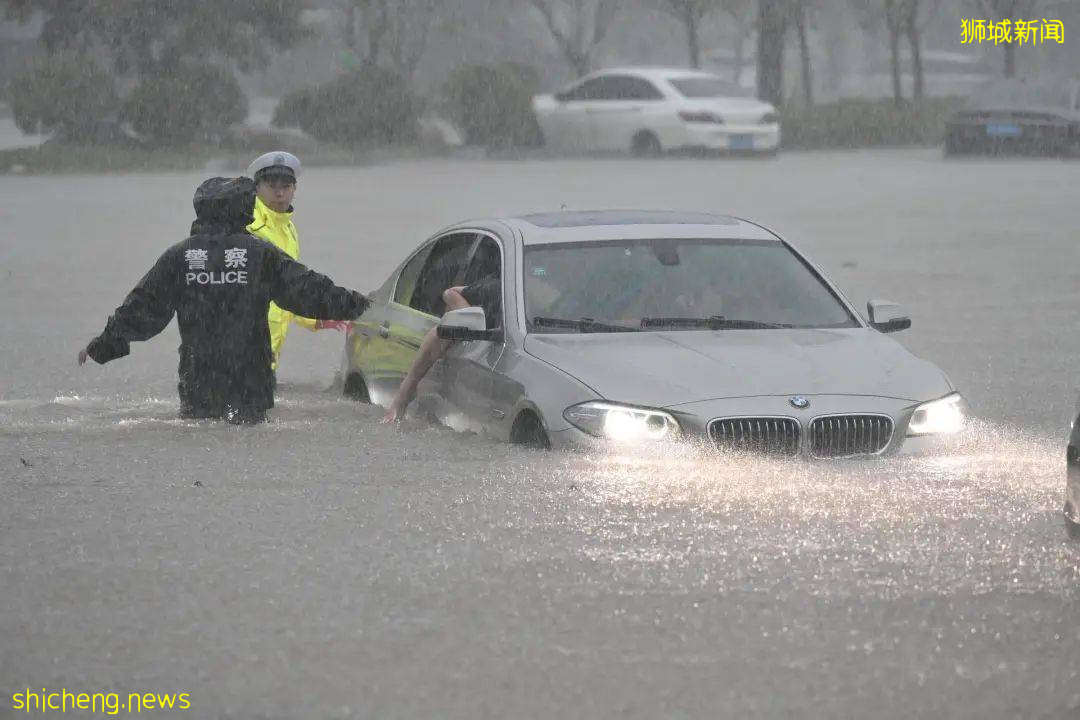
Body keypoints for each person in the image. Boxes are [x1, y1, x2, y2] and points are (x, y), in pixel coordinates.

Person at [77, 177, 370, 424]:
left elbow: (142, 308)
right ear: (245, 208)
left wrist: (103, 345)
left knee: (201, 436)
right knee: (249, 442)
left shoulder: (179, 257)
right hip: (251, 379)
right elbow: (309, 291)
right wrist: (363, 307)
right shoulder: (259, 254)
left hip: (198, 378)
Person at [245, 151, 344, 371]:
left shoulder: (288, 229)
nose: (279, 193)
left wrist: (317, 318)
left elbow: (288, 288)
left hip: (267, 353)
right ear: (256, 188)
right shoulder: (247, 226)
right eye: (272, 186)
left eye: (286, 186)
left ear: (294, 189)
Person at [381, 273, 501, 423]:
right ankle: (405, 392)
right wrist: (467, 316)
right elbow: (450, 292)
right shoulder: (496, 289)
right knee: (442, 330)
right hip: (442, 335)